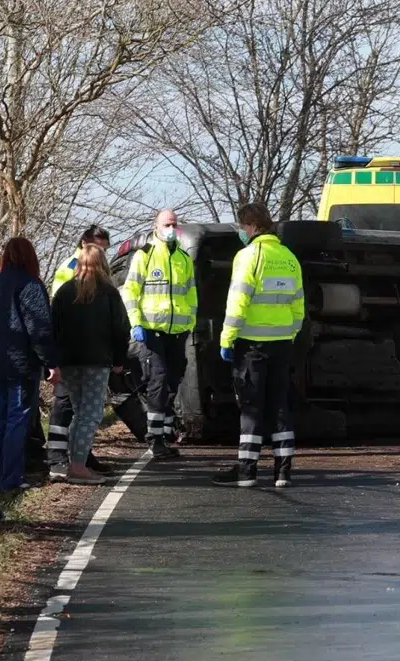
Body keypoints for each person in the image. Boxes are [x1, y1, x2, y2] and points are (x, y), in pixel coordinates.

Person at [213, 202, 304, 488]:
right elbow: (299, 305)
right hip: (282, 344)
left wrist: (227, 338)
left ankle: (247, 470)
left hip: (251, 345)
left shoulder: (249, 255)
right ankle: (283, 471)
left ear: (250, 226)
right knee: (280, 406)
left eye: (242, 227)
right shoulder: (289, 257)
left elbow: (238, 301)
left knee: (251, 407)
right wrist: (290, 334)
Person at [0, 237, 60, 492]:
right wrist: (51, 363)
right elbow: (40, 330)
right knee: (17, 419)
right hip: (20, 365)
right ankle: (11, 478)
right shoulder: (30, 285)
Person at [51, 244, 130, 485]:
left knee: (79, 411)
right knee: (91, 414)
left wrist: (55, 362)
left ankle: (74, 462)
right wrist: (119, 360)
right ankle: (77, 465)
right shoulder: (108, 292)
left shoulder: (64, 291)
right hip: (97, 361)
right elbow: (121, 329)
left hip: (69, 362)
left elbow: (53, 328)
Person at [122, 209, 198, 458]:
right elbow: (131, 291)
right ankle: (154, 438)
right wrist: (135, 323)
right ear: (156, 226)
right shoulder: (145, 256)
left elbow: (190, 294)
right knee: (159, 379)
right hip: (151, 330)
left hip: (177, 331)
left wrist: (190, 323)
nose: (171, 228)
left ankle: (165, 431)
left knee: (174, 379)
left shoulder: (183, 259)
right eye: (167, 224)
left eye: (174, 224)